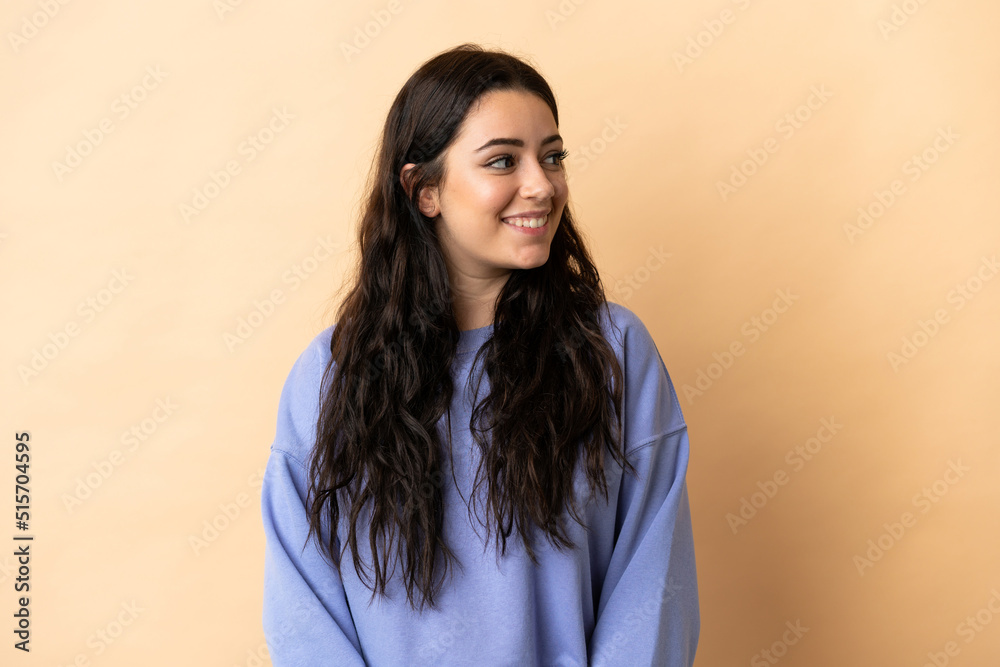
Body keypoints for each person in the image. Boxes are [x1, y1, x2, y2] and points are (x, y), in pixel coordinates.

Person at [260, 43, 699, 666]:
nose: (541, 185)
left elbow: (653, 595)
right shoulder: (331, 376)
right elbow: (303, 613)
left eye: (553, 157)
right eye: (502, 161)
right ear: (424, 190)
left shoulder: (614, 355)